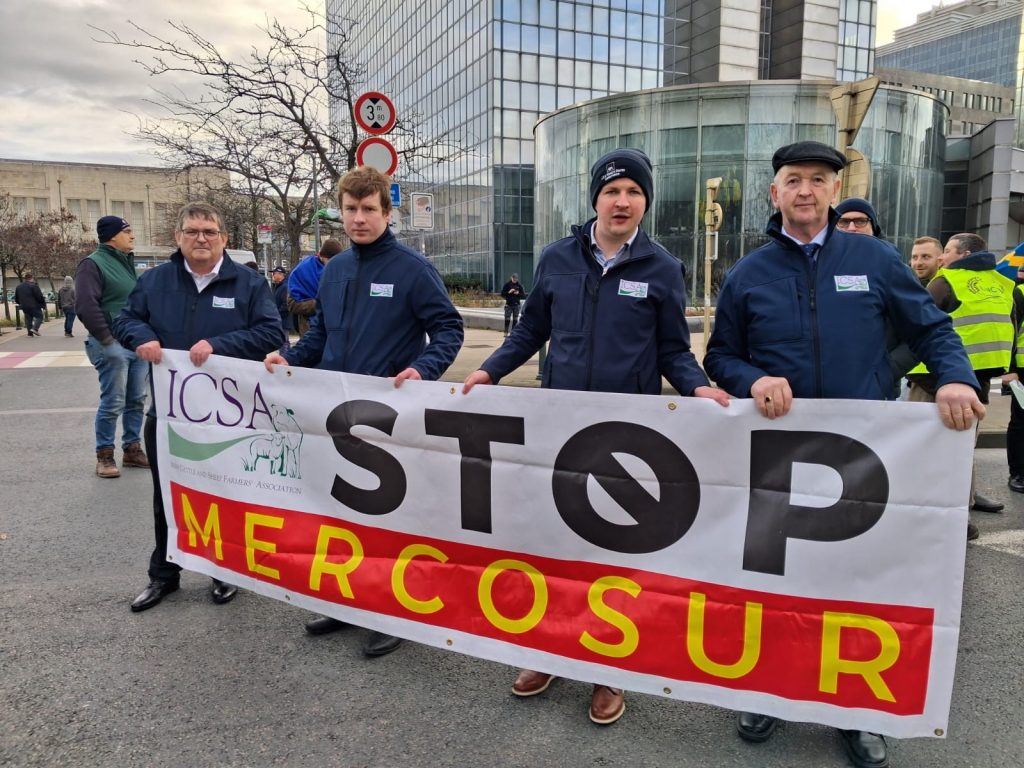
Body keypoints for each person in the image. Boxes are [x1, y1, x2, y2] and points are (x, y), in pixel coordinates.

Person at [703, 141, 982, 768]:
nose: (806, 190)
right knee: (779, 582)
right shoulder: (748, 274)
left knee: (856, 584)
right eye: (793, 180)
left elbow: (930, 329)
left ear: (835, 191)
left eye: (819, 180)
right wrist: (751, 380)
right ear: (774, 193)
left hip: (863, 456)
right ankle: (772, 689)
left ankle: (855, 710)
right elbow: (718, 356)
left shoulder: (875, 258)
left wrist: (956, 377)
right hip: (777, 457)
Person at [462, 147, 729, 726]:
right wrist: (489, 371)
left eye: (634, 192)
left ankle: (610, 667)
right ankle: (549, 649)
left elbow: (671, 351)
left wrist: (697, 386)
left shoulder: (662, 267)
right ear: (596, 198)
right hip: (558, 426)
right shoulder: (557, 258)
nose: (623, 201)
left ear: (645, 203)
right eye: (613, 191)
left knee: (613, 551)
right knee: (555, 544)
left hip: (626, 432)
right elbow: (532, 328)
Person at [265, 166, 464, 658]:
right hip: (333, 413)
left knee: (390, 517)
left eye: (369, 209)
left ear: (386, 212)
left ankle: (393, 610)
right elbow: (318, 337)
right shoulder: (336, 270)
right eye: (350, 210)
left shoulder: (412, 270)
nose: (359, 219)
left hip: (388, 417)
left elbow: (448, 330)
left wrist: (423, 370)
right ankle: (347, 602)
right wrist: (286, 358)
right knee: (340, 513)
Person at [113, 202, 285, 613]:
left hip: (228, 417)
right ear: (178, 238)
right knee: (167, 493)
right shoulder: (155, 282)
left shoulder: (248, 283)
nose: (201, 238)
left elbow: (271, 331)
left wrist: (219, 346)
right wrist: (141, 336)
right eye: (192, 231)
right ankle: (163, 574)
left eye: (210, 231)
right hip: (170, 414)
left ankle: (225, 571)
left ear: (225, 238)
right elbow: (125, 320)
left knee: (224, 494)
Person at [906, 232, 1015, 527]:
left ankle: (946, 514)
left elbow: (917, 331)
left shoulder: (944, 282)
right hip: (975, 378)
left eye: (930, 256)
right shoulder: (1001, 284)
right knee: (959, 448)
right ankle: (960, 506)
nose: (922, 261)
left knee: (933, 449)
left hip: (934, 379)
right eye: (915, 257)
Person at [75, 216, 150, 479]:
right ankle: (105, 455)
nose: (132, 236)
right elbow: (85, 306)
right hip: (111, 344)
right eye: (127, 231)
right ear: (111, 236)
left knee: (136, 400)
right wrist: (108, 341)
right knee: (113, 401)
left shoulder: (126, 263)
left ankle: (132, 449)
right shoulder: (93, 264)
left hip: (135, 344)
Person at [834, 197, 917, 397]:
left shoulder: (894, 270)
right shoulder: (818, 268)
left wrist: (886, 371)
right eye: (843, 222)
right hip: (823, 390)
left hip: (878, 392)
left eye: (860, 221)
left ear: (873, 227)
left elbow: (921, 332)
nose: (852, 227)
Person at [288, 238, 344, 337]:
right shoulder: (303, 270)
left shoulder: (339, 269)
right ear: (322, 256)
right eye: (331, 261)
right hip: (310, 326)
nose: (334, 264)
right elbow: (292, 304)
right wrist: (321, 304)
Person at [1003, 264, 1024, 494]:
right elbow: (1010, 330)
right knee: (1021, 422)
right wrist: (1010, 368)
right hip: (1022, 369)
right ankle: (1018, 472)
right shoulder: (1020, 293)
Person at [14, 272, 45, 337]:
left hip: (24, 306)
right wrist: (42, 303)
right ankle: (35, 329)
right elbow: (39, 296)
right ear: (31, 278)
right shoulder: (34, 286)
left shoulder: (18, 287)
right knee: (40, 316)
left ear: (25, 278)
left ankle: (30, 333)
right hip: (34, 305)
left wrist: (21, 303)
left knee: (28, 319)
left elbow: (16, 298)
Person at [270, 265, 293, 352]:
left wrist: (277, 315)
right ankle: (289, 360)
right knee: (284, 342)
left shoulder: (284, 287)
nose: (273, 276)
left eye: (274, 273)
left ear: (280, 274)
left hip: (283, 320)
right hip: (281, 320)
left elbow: (286, 305)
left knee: (283, 342)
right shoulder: (278, 287)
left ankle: (285, 362)